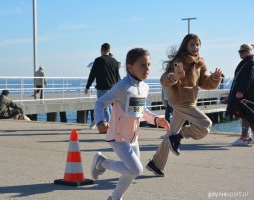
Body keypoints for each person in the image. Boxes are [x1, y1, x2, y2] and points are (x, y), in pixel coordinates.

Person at [90, 48, 170, 200]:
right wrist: (101, 121)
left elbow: (142, 110)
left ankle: (115, 197)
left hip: (133, 138)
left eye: (149, 65)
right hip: (117, 136)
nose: (147, 69)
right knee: (136, 170)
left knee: (130, 172)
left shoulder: (144, 87)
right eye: (143, 65)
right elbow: (100, 103)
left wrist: (156, 119)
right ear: (130, 67)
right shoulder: (122, 87)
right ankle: (102, 163)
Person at [146, 34, 223, 177]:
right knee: (205, 124)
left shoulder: (200, 62)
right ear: (186, 46)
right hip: (181, 101)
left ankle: (155, 164)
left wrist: (215, 78)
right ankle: (180, 136)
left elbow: (204, 83)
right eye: (192, 44)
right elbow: (164, 80)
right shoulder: (179, 61)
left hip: (190, 101)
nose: (196, 47)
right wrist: (174, 77)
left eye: (198, 44)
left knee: (170, 134)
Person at [85, 43, 121, 131]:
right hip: (113, 88)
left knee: (103, 107)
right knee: (108, 107)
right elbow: (118, 76)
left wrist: (87, 86)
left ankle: (108, 127)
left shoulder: (98, 60)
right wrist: (120, 88)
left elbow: (92, 74)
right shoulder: (114, 61)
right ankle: (100, 124)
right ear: (109, 50)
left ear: (101, 50)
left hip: (102, 88)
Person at [227, 44, 254, 146]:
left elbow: (248, 78)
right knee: (247, 116)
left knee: (246, 116)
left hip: (246, 95)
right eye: (239, 52)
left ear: (247, 52)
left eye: (241, 52)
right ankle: (246, 137)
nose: (240, 54)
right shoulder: (247, 62)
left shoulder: (250, 63)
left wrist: (241, 91)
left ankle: (244, 138)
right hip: (246, 94)